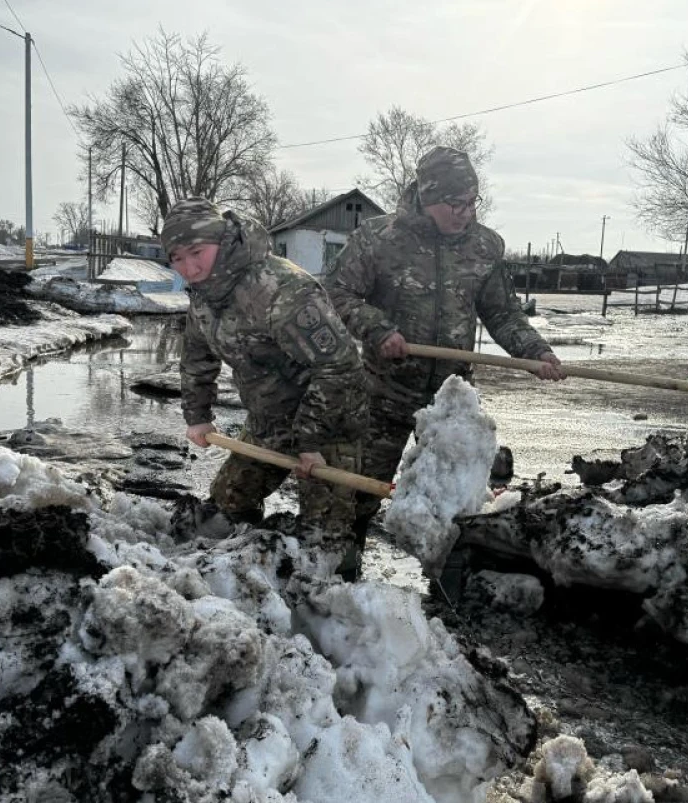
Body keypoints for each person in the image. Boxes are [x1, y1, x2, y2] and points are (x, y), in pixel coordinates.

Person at [324, 145, 565, 557]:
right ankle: (345, 582)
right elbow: (337, 293)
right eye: (455, 203)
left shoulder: (485, 247)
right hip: (383, 391)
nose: (465, 213)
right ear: (428, 197)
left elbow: (503, 313)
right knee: (359, 492)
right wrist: (378, 329)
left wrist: (536, 352)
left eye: (472, 202)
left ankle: (445, 597)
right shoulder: (379, 239)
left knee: (456, 499)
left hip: (451, 398)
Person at [163, 197, 367, 575]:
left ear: (222, 241)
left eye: (196, 252)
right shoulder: (205, 297)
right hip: (268, 419)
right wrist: (198, 415)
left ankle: (344, 601)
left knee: (326, 545)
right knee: (225, 507)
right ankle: (248, 578)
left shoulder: (281, 289)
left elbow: (341, 367)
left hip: (329, 421)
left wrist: (311, 440)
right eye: (177, 258)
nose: (189, 268)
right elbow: (196, 355)